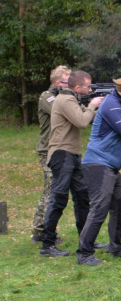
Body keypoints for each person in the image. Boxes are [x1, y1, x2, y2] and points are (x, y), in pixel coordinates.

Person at [75, 77, 121, 265]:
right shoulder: (111, 105)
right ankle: (84, 253)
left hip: (110, 165)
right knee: (99, 208)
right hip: (98, 164)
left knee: (119, 206)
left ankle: (115, 247)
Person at [38, 70, 103, 257]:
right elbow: (82, 121)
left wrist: (101, 106)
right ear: (77, 87)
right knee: (58, 197)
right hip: (61, 153)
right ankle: (47, 244)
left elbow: (89, 116)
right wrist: (91, 105)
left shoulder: (72, 100)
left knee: (82, 197)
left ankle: (86, 238)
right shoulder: (65, 100)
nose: (90, 89)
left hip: (72, 154)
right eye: (88, 87)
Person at [32, 65, 70, 244]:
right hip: (47, 149)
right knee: (50, 190)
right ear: (57, 82)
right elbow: (62, 111)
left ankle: (43, 228)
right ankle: (41, 231)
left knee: (53, 189)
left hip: (58, 149)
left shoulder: (63, 97)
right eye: (66, 81)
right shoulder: (47, 97)